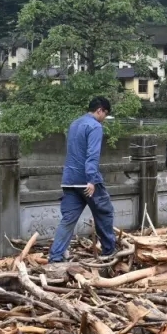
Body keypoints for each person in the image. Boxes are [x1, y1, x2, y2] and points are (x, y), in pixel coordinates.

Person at [50, 96, 114, 263]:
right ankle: (109, 252)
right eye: (104, 114)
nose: (104, 119)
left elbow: (73, 152)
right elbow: (92, 155)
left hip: (69, 180)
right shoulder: (94, 126)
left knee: (68, 220)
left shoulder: (74, 124)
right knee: (104, 213)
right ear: (100, 110)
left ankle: (55, 257)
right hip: (87, 180)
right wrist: (92, 180)